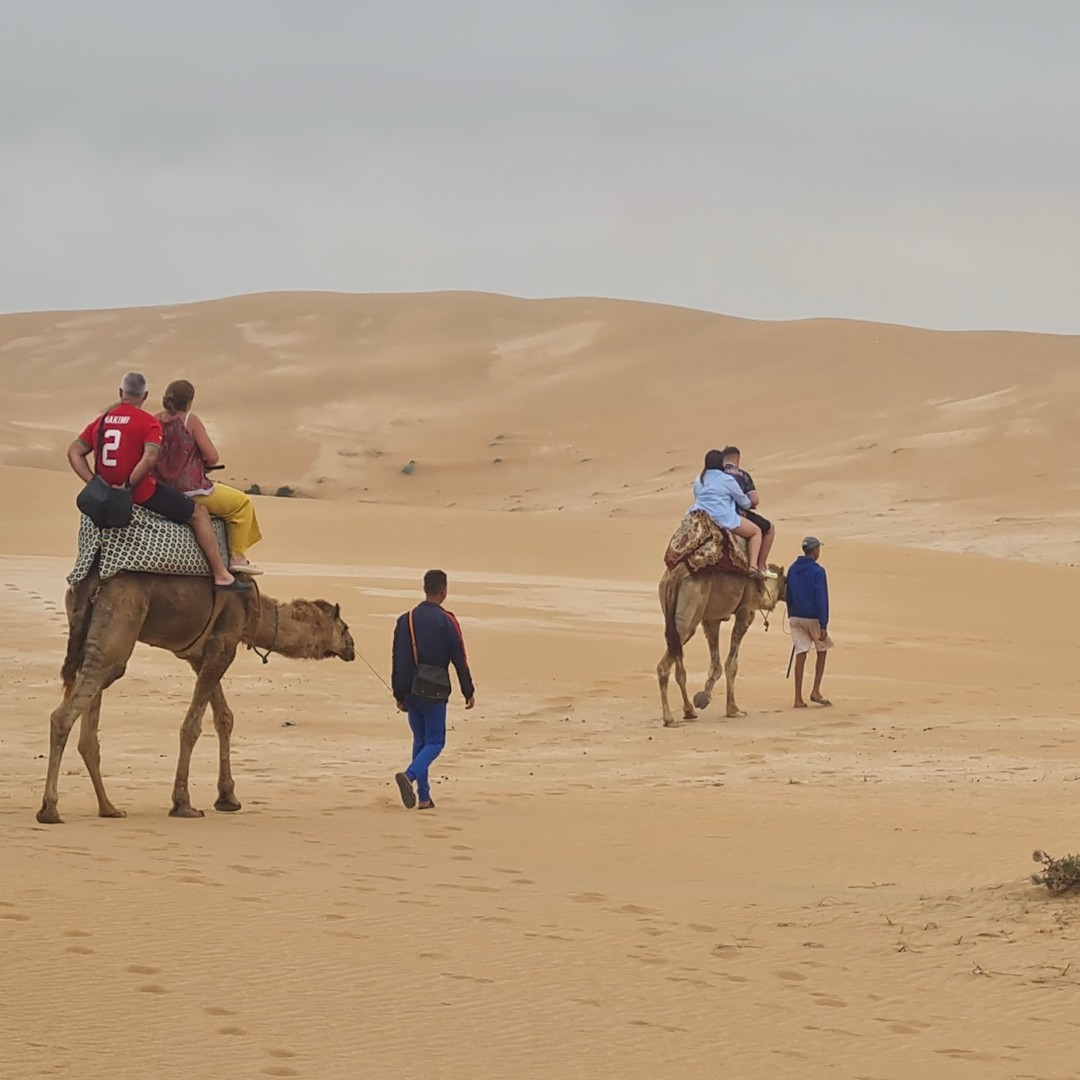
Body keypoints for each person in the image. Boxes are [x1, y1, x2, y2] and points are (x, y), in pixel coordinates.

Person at [66, 372, 250, 592]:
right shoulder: (148, 422)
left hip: (102, 495)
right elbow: (150, 457)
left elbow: (74, 452)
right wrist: (127, 485)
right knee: (198, 514)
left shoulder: (102, 420)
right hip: (142, 493)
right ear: (145, 396)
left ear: (120, 393)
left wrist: (95, 484)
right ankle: (221, 575)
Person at [155, 379, 264, 576]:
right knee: (242, 504)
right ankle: (237, 557)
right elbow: (213, 457)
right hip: (191, 490)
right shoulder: (190, 420)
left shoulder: (154, 421)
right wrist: (203, 464)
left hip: (162, 490)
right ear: (188, 402)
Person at [391, 569, 476, 810]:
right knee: (435, 742)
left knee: (420, 741)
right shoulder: (447, 620)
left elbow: (397, 658)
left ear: (425, 588)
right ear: (444, 590)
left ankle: (424, 798)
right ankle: (409, 776)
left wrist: (398, 693)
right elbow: (460, 658)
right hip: (435, 690)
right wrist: (467, 690)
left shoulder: (404, 619)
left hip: (410, 689)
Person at [688, 449, 774, 578]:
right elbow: (744, 503)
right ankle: (754, 567)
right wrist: (750, 504)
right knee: (756, 532)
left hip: (699, 516)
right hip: (721, 517)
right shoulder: (727, 479)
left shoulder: (698, 480)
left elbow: (697, 497)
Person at [786, 536, 833, 708]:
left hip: (795, 617)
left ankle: (798, 698)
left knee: (801, 652)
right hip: (812, 616)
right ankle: (815, 690)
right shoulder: (818, 571)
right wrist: (823, 624)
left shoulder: (792, 568)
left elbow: (787, 594)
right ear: (814, 550)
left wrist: (792, 613)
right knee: (822, 649)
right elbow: (821, 598)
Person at [721, 445, 777, 573]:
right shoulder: (743, 475)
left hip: (715, 513)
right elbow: (755, 500)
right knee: (769, 529)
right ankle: (759, 566)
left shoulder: (716, 475)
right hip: (737, 514)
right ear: (738, 460)